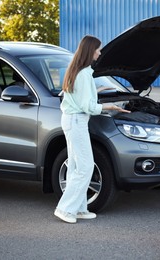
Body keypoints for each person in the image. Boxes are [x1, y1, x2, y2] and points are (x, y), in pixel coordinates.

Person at [54, 35, 130, 224]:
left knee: (75, 166)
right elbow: (87, 106)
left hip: (71, 120)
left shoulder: (77, 70)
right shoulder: (84, 73)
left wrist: (97, 91)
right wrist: (109, 107)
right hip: (77, 122)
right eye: (98, 49)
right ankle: (65, 209)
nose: (100, 52)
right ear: (90, 51)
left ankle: (79, 209)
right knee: (85, 167)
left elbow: (77, 96)